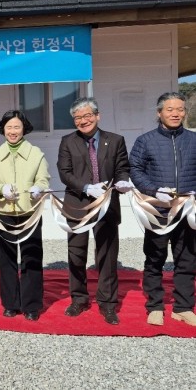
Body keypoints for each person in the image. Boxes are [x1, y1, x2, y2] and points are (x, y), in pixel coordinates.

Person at [57, 97, 132, 325]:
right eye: (78, 117)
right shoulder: (67, 141)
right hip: (78, 204)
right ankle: (79, 299)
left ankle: (107, 304)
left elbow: (122, 168)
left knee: (107, 256)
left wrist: (123, 181)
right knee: (76, 254)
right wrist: (86, 187)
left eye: (87, 115)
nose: (83, 120)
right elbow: (65, 173)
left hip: (107, 206)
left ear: (98, 116)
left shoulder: (116, 140)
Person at [129, 92, 196, 327]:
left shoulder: (193, 139)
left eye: (180, 109)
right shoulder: (145, 141)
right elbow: (135, 169)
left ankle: (183, 307)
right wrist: (154, 190)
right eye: (170, 109)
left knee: (187, 259)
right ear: (159, 113)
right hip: (157, 211)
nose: (176, 113)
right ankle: (155, 305)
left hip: (186, 210)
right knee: (155, 258)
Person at [0, 110, 50, 321]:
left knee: (32, 257)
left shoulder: (36, 154)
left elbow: (43, 179)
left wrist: (38, 188)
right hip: (5, 213)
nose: (13, 131)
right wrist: (0, 189)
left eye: (17, 127)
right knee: (7, 259)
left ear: (24, 129)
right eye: (9, 127)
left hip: (29, 212)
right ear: (3, 129)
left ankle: (31, 305)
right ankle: (10, 303)